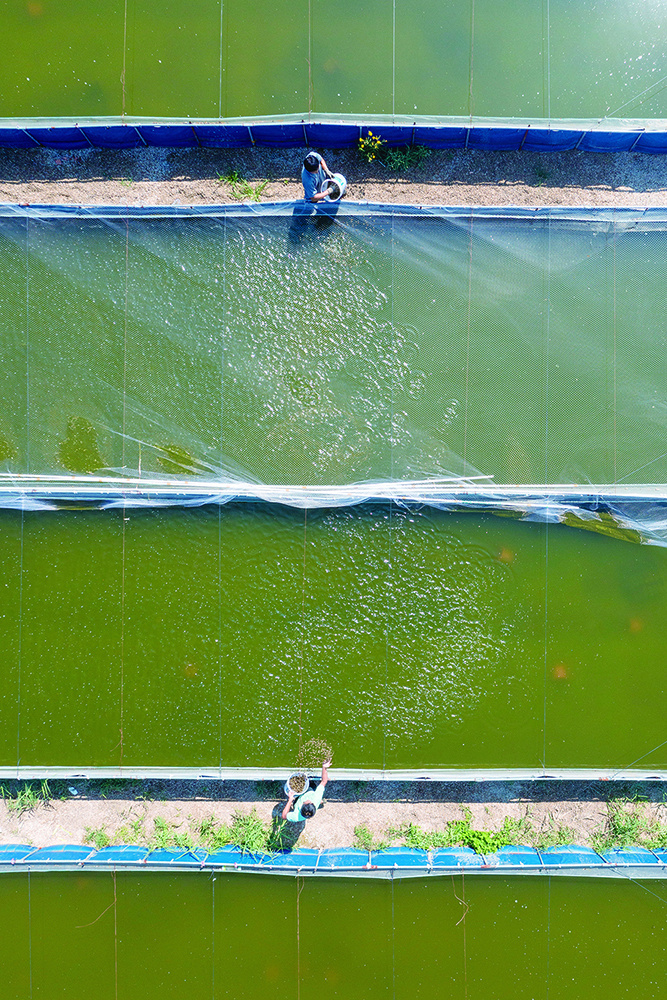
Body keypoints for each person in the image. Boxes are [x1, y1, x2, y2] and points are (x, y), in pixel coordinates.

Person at [282, 758, 332, 822]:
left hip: (297, 800)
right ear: (313, 804)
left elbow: (284, 816)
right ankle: (321, 801)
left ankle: (320, 801)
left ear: (301, 807)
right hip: (310, 791)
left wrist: (290, 800)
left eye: (305, 802)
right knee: (311, 784)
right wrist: (324, 767)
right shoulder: (316, 798)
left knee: (295, 797)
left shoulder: (296, 816)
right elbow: (324, 781)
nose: (308, 800)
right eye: (310, 802)